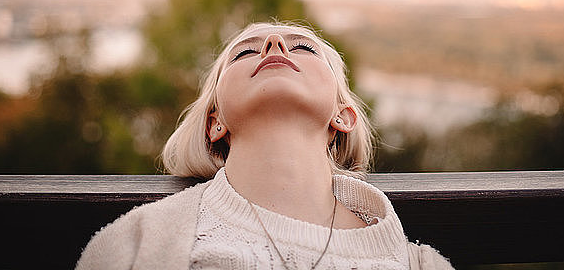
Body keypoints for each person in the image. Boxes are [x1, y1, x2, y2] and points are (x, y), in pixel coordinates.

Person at [76, 21, 454, 270]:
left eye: (304, 48)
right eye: (244, 52)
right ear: (215, 122)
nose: (274, 44)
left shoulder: (420, 265)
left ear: (344, 115)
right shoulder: (136, 243)